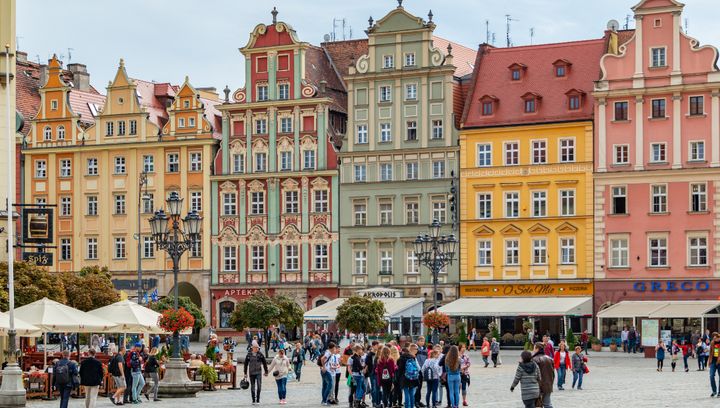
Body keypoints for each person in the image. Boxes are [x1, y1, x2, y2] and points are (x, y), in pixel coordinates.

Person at [243, 340, 269, 405]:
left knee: (259, 386)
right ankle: (253, 400)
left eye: (258, 347)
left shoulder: (260, 354)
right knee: (253, 387)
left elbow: (264, 363)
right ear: (253, 348)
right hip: (251, 373)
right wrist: (245, 373)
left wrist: (266, 371)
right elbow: (245, 364)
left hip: (258, 372)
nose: (257, 348)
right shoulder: (249, 355)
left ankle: (258, 399)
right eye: (256, 347)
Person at [532, 342, 554, 408]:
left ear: (537, 349)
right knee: (547, 403)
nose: (533, 350)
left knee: (537, 404)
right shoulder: (550, 359)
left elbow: (533, 374)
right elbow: (553, 373)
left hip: (538, 385)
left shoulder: (534, 359)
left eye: (534, 348)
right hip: (548, 384)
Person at [414, 337, 428, 408]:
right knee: (417, 387)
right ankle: (415, 401)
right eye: (421, 341)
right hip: (417, 370)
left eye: (423, 341)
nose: (422, 342)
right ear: (418, 341)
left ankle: (418, 401)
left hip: (423, 370)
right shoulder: (416, 348)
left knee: (420, 387)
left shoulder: (425, 349)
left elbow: (426, 359)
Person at [366, 341, 379, 408]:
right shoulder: (369, 354)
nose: (378, 346)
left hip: (378, 373)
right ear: (373, 346)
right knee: (373, 388)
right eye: (377, 345)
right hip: (372, 373)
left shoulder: (378, 353)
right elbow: (367, 363)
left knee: (377, 388)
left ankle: (377, 401)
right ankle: (374, 402)